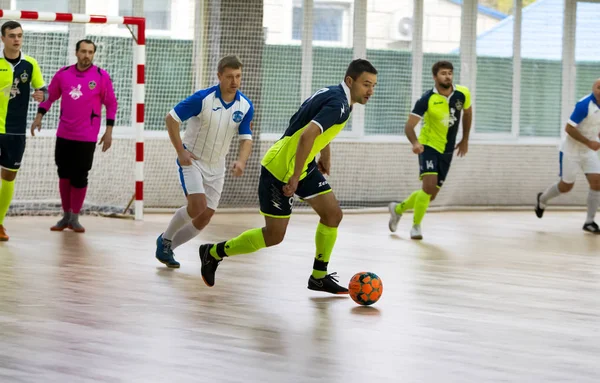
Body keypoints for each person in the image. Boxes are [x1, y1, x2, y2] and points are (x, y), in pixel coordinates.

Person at [196, 59, 378, 294]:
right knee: (274, 236)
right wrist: (293, 176)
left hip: (302, 165)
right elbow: (306, 136)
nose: (370, 91)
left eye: (373, 85)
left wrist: (324, 153)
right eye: (366, 84)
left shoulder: (337, 96)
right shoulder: (339, 103)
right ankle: (213, 252)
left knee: (332, 214)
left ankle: (319, 277)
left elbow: (314, 127)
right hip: (280, 169)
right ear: (350, 81)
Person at [155, 55, 254, 268]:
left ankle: (168, 248)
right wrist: (181, 151)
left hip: (217, 165)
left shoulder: (245, 106)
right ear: (219, 76)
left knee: (204, 217)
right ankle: (164, 240)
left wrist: (242, 161)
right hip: (193, 161)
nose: (234, 81)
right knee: (197, 205)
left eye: (238, 76)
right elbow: (171, 118)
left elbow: (246, 139)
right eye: (229, 77)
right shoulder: (202, 99)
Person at [31, 39, 117, 233]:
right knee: (63, 173)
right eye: (83, 51)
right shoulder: (63, 74)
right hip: (64, 134)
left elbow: (111, 103)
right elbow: (50, 96)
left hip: (87, 136)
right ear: (76, 53)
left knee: (80, 176)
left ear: (94, 54)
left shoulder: (101, 76)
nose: (87, 55)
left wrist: (109, 131)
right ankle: (65, 216)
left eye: (90, 52)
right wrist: (38, 117)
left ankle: (75, 217)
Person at [388, 60, 472, 240]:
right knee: (427, 187)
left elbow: (468, 113)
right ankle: (416, 227)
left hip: (447, 150)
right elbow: (409, 126)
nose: (447, 76)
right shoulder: (426, 100)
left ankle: (398, 208)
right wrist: (416, 143)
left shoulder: (462, 93)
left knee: (430, 196)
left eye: (450, 73)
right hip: (429, 146)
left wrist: (465, 139)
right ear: (435, 77)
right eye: (443, 73)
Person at [0, 21, 47, 241]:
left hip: (16, 132)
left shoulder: (30, 63)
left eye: (19, 35)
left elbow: (43, 90)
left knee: (9, 177)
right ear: (3, 38)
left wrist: (42, 96)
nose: (16, 39)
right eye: (12, 35)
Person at [535, 79, 600, 233]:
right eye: (598, 87)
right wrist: (588, 142)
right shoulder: (584, 105)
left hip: (588, 151)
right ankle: (542, 199)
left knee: (597, 182)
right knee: (566, 186)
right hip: (571, 150)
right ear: (593, 88)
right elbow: (569, 128)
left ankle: (589, 222)